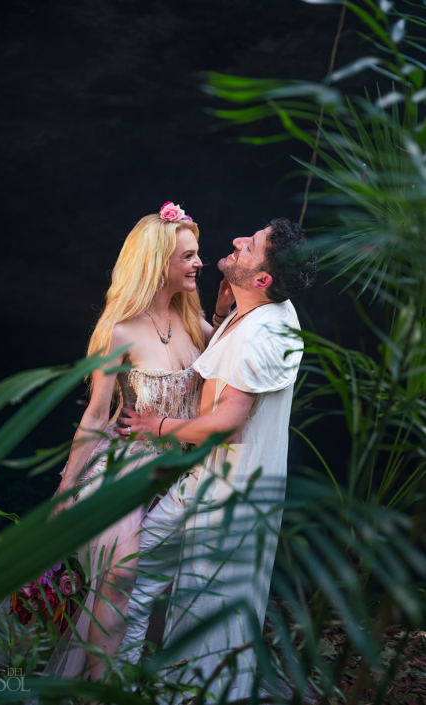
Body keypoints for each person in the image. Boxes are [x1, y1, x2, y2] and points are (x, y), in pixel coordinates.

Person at [117, 217, 317, 699]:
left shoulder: (258, 336)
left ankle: (182, 691)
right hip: (217, 483)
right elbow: (228, 367)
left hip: (225, 492)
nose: (237, 242)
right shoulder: (268, 311)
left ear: (262, 279)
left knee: (184, 594)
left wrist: (156, 426)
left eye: (251, 247)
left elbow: (227, 422)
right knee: (141, 574)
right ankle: (123, 680)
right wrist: (225, 313)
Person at [46, 202, 233, 681]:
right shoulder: (121, 331)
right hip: (125, 468)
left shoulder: (199, 329)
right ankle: (96, 686)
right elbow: (95, 415)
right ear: (158, 264)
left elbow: (227, 366)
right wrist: (66, 490)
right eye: (188, 257)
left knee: (160, 586)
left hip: (182, 472)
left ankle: (135, 679)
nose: (198, 264)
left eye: (198, 254)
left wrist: (220, 311)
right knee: (120, 576)